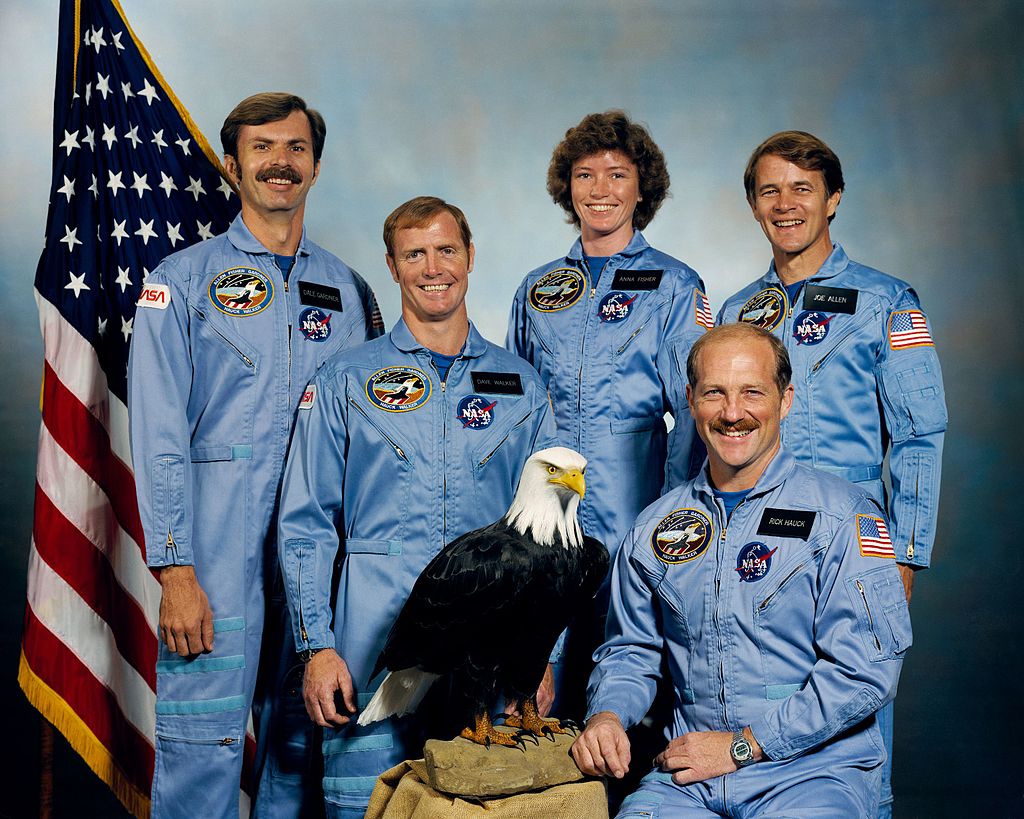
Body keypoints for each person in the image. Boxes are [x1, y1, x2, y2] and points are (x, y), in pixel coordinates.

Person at [128, 92, 383, 818]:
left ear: (316, 165)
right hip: (211, 555)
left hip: (318, 558)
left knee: (302, 745)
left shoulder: (350, 291)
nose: (280, 162)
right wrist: (175, 567)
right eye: (263, 147)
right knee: (201, 739)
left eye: (296, 148)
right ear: (233, 162)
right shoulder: (178, 283)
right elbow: (157, 432)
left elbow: (366, 438)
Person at [277, 196, 558, 818]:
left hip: (484, 659)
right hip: (368, 646)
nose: (433, 268)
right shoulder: (346, 380)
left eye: (446, 250)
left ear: (470, 257)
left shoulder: (521, 388)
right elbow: (306, 524)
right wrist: (315, 646)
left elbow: (549, 543)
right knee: (361, 804)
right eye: (414, 254)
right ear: (393, 266)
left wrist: (538, 660)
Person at [572, 323, 912, 817]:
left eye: (752, 392)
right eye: (715, 393)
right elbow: (630, 651)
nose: (733, 414)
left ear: (786, 399)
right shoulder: (653, 529)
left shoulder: (845, 517)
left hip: (812, 775)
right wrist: (606, 714)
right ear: (690, 401)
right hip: (688, 779)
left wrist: (742, 746)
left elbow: (865, 674)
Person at [717, 130, 946, 817]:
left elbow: (918, 433)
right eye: (769, 190)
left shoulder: (886, 300)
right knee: (750, 704)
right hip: (755, 537)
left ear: (834, 198)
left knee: (855, 709)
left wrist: (904, 548)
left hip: (853, 536)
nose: (785, 204)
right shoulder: (734, 313)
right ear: (754, 206)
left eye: (802, 188)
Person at [506, 110, 710, 716]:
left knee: (631, 667)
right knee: (538, 677)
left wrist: (674, 511)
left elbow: (696, 412)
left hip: (633, 503)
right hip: (545, 510)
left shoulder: (675, 286)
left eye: (617, 174)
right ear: (566, 188)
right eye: (585, 174)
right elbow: (513, 411)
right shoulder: (537, 289)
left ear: (641, 187)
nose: (600, 190)